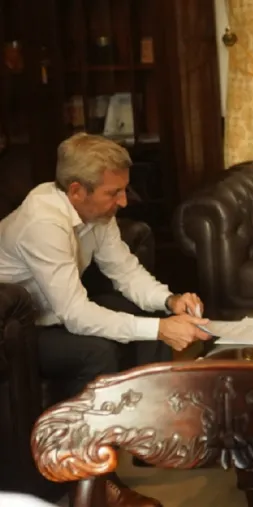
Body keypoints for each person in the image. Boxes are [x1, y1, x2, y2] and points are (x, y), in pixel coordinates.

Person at [0, 133, 212, 507]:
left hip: (54, 314)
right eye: (114, 193)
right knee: (95, 351)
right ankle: (94, 482)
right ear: (77, 190)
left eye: (123, 190)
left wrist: (170, 301)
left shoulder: (95, 212)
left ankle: (149, 438)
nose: (124, 201)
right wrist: (161, 329)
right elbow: (78, 317)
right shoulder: (43, 222)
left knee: (148, 313)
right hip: (12, 332)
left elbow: (125, 271)